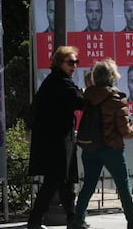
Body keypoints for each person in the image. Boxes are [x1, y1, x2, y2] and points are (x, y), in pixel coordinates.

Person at [72, 59, 133, 229]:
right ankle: (132, 220)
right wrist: (131, 129)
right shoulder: (116, 98)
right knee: (122, 184)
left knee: (89, 185)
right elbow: (123, 129)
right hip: (111, 148)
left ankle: (77, 220)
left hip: (90, 146)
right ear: (112, 76)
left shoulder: (88, 96)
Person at [27, 46, 85, 229]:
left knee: (65, 182)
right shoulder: (60, 82)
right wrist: (83, 92)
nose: (74, 66)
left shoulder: (56, 81)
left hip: (59, 138)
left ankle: (72, 219)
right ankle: (35, 221)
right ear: (60, 63)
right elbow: (79, 101)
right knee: (54, 181)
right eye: (70, 62)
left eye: (76, 62)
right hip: (57, 140)